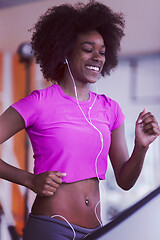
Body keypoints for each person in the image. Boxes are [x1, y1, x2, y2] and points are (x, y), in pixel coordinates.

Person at [0, 1, 159, 240]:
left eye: (102, 51)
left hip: (96, 230)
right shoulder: (39, 102)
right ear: (64, 51)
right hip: (51, 228)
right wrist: (29, 179)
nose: (97, 57)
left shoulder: (110, 109)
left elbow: (125, 181)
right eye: (88, 49)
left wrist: (141, 147)